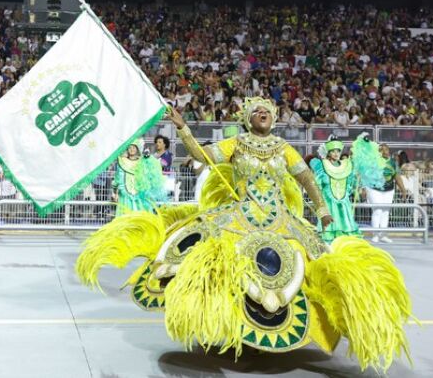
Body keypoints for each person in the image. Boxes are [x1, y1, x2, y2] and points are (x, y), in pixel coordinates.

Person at [76, 98, 412, 373]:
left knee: (309, 270)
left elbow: (307, 178)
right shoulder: (236, 143)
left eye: (267, 110)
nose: (262, 114)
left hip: (281, 221)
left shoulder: (284, 148)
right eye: (256, 111)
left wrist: (322, 210)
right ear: (248, 119)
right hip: (240, 217)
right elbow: (203, 156)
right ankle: (229, 333)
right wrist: (182, 129)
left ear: (274, 118)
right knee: (218, 268)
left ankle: (275, 337)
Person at [310, 135, 385, 243]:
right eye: (333, 151)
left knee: (345, 222)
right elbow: (317, 184)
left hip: (344, 202)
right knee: (329, 224)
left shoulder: (347, 165)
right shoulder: (321, 165)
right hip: (328, 201)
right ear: (328, 152)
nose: (336, 154)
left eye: (338, 151)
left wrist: (356, 181)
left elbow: (351, 183)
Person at [111, 139, 167, 216]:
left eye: (134, 147)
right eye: (130, 147)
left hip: (140, 195)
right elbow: (117, 178)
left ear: (137, 149)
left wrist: (148, 158)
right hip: (125, 196)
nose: (131, 149)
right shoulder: (122, 162)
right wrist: (115, 192)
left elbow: (151, 171)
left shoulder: (142, 161)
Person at [366, 144, 399, 243]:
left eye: (386, 149)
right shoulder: (373, 162)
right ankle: (375, 234)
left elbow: (397, 176)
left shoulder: (393, 162)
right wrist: (363, 188)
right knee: (378, 210)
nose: (385, 152)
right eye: (382, 150)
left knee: (385, 212)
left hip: (389, 190)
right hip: (374, 189)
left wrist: (403, 189)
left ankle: (383, 235)